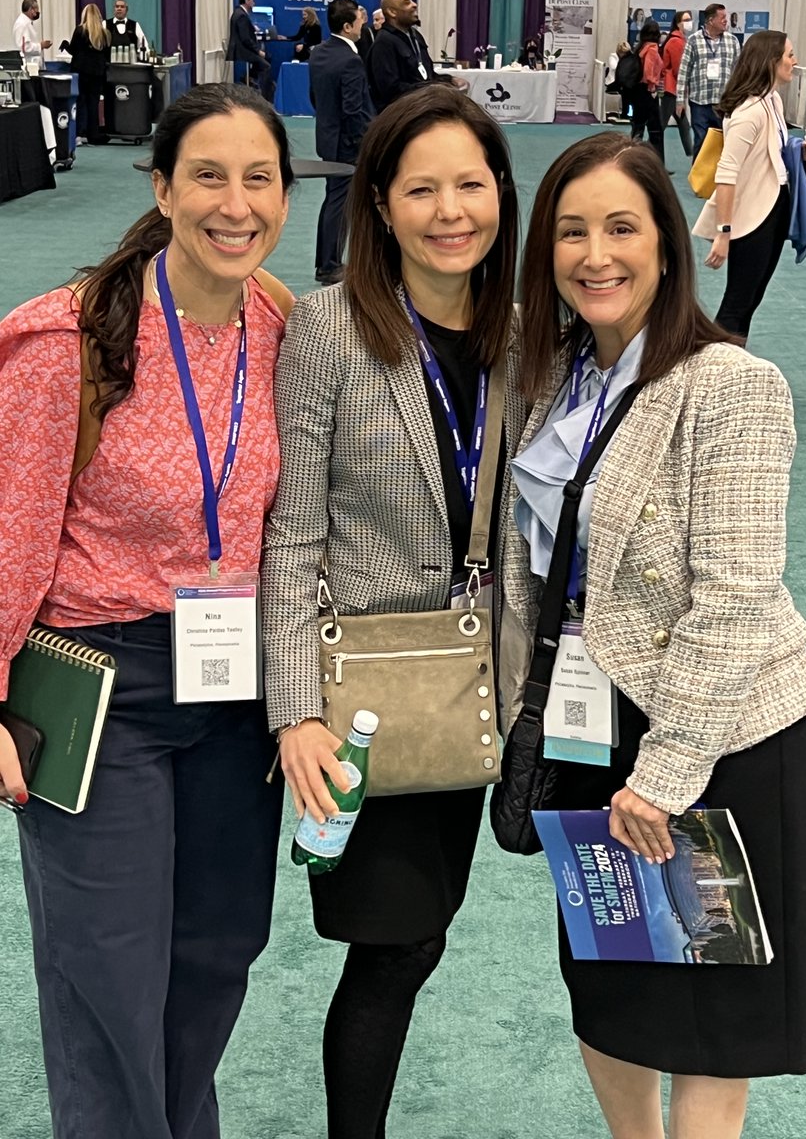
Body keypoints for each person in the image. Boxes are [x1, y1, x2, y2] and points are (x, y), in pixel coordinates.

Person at [503, 129, 806, 1139]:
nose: (596, 255)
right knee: (610, 984)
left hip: (715, 737)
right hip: (589, 728)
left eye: (621, 229)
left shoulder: (730, 384)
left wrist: (667, 771)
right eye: (571, 232)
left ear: (668, 243)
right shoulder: (554, 371)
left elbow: (733, 598)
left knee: (709, 1007)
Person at [0, 82, 295, 1139]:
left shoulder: (278, 325)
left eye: (258, 178)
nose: (236, 203)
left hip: (232, 686)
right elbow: (8, 531)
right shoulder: (64, 340)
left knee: (218, 950)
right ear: (163, 187)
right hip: (98, 685)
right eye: (207, 175)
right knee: (107, 972)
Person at [262, 82, 526, 1139]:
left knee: (423, 934)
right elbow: (292, 536)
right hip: (366, 698)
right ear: (379, 202)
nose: (450, 209)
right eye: (422, 188)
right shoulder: (329, 328)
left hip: (472, 681)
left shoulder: (524, 328)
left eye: (471, 183)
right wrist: (294, 713)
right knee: (394, 945)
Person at [693, 31, 806, 341]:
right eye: (789, 55)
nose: (795, 61)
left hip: (776, 206)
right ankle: (712, 370)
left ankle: (734, 365)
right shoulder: (748, 113)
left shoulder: (772, 101)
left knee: (751, 300)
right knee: (737, 303)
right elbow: (727, 174)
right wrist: (723, 233)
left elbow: (774, 151)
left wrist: (804, 151)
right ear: (771, 62)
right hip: (752, 216)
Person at [308, 0, 374, 285]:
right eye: (360, 19)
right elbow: (353, 109)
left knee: (333, 201)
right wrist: (364, 142)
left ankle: (327, 261)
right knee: (340, 203)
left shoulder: (319, 53)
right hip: (349, 144)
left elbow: (315, 97)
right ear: (348, 27)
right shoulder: (351, 60)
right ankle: (330, 265)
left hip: (327, 137)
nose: (364, 23)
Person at [367, 0, 462, 112]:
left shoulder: (415, 36)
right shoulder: (383, 43)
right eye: (407, 3)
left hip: (423, 110)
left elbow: (427, 76)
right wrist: (432, 88)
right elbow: (390, 90)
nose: (414, 5)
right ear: (392, 12)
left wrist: (450, 80)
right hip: (400, 117)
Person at [675, 2, 741, 159]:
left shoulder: (733, 41)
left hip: (724, 103)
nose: (726, 20)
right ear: (711, 20)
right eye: (722, 17)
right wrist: (679, 100)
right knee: (701, 142)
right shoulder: (694, 40)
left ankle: (721, 179)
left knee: (725, 143)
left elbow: (739, 72)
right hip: (700, 103)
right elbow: (684, 71)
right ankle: (699, 180)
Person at [60, 4, 110, 146]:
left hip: (81, 71)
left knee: (80, 102)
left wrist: (65, 45)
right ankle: (93, 134)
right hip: (97, 72)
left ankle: (80, 134)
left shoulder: (80, 31)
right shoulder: (104, 33)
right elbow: (106, 54)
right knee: (93, 103)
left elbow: (74, 51)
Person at [227, 0, 274, 102]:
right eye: (252, 0)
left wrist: (252, 28)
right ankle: (265, 97)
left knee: (268, 57)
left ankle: (249, 77)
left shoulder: (239, 13)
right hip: (242, 50)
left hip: (243, 48)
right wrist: (258, 51)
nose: (254, 3)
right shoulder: (242, 15)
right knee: (266, 66)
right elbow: (245, 38)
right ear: (247, 1)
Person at [660, 10, 694, 163]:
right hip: (672, 88)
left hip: (673, 87)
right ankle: (649, 150)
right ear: (678, 22)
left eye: (690, 19)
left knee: (683, 123)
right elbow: (678, 69)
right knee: (660, 125)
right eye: (686, 19)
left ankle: (692, 152)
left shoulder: (680, 40)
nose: (689, 22)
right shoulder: (676, 42)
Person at [630, 19, 664, 164]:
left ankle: (630, 157)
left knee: (638, 127)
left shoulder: (640, 48)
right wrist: (653, 86)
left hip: (637, 91)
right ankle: (657, 163)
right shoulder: (652, 49)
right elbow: (649, 72)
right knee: (655, 130)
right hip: (648, 90)